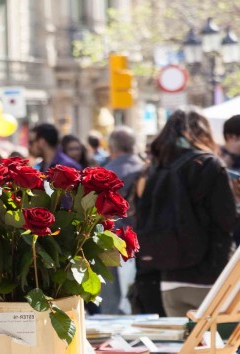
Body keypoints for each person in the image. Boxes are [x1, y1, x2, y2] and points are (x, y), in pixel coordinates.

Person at [138, 109, 237, 317]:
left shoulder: (156, 168)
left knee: (182, 345)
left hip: (169, 276)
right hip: (211, 275)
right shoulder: (209, 164)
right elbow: (226, 220)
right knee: (216, 347)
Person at [101, 126, 145, 315]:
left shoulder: (103, 173)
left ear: (111, 148)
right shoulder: (146, 170)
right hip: (142, 240)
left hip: (109, 240)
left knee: (112, 302)